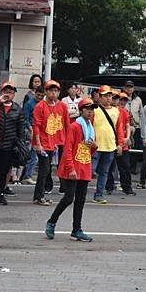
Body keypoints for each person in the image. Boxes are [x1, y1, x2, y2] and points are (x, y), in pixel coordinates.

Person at [45, 98, 98, 242]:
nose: (90, 112)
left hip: (84, 166)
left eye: (92, 109)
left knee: (80, 200)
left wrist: (94, 146)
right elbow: (67, 149)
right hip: (73, 167)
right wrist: (71, 169)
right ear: (81, 111)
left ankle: (76, 229)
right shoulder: (75, 127)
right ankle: (52, 221)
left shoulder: (91, 127)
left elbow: (90, 152)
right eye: (87, 109)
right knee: (69, 198)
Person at [31, 80, 69, 206]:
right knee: (44, 169)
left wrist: (66, 141)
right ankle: (39, 196)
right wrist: (37, 144)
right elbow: (36, 126)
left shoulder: (62, 106)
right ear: (46, 92)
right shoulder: (40, 106)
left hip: (55, 142)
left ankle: (40, 195)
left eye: (56, 91)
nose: (54, 93)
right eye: (51, 90)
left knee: (47, 169)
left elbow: (66, 124)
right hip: (43, 143)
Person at [0, 82, 25, 205]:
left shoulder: (18, 109)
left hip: (9, 145)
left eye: (10, 92)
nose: (8, 94)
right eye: (6, 92)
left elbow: (21, 129)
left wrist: (19, 146)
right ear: (1, 92)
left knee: (3, 171)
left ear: (14, 94)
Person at [92, 85, 123, 204]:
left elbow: (119, 129)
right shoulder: (94, 110)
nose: (108, 98)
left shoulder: (116, 111)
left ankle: (99, 194)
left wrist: (119, 144)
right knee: (90, 171)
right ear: (99, 97)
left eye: (110, 96)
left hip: (110, 146)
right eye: (105, 96)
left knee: (104, 172)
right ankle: (80, 191)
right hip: (95, 146)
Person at [20, 86, 45, 185]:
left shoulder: (43, 104)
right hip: (30, 131)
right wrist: (30, 128)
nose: (39, 97)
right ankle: (27, 176)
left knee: (32, 156)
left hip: (38, 131)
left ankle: (26, 175)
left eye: (41, 96)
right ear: (35, 93)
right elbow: (25, 117)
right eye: (38, 95)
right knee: (32, 156)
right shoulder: (30, 103)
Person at [124, 80, 143, 171]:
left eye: (131, 87)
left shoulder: (138, 99)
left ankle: (133, 168)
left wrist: (139, 123)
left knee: (135, 147)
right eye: (127, 87)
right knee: (126, 146)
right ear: (124, 88)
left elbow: (141, 113)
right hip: (124, 126)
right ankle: (125, 167)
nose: (129, 89)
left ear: (133, 88)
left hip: (136, 127)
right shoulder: (121, 98)